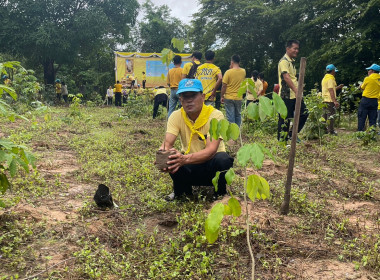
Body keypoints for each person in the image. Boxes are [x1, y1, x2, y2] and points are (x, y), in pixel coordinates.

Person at [158, 78, 234, 201]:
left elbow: (211, 151)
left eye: (193, 96)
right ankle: (182, 192)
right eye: (184, 96)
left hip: (211, 167)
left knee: (223, 159)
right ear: (180, 99)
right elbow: (167, 143)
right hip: (190, 165)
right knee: (172, 157)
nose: (189, 101)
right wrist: (162, 155)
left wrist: (183, 159)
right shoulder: (176, 116)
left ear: (203, 97)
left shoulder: (215, 116)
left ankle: (220, 193)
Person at [277, 40, 309, 141]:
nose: (296, 51)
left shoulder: (291, 62)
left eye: (297, 49)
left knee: (304, 113)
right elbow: (286, 77)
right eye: (294, 48)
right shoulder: (284, 62)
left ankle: (292, 134)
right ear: (288, 49)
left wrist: (298, 89)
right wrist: (296, 90)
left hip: (295, 94)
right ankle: (282, 140)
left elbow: (293, 78)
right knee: (284, 118)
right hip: (286, 95)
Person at [221, 54, 246, 126]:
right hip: (239, 97)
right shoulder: (243, 71)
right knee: (238, 115)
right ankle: (237, 133)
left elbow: (224, 86)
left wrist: (222, 96)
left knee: (230, 117)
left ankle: (232, 135)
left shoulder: (228, 72)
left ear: (232, 62)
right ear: (239, 62)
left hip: (229, 97)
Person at [321, 64, 344, 135]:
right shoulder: (331, 79)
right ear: (333, 71)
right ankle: (331, 131)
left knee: (324, 115)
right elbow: (331, 90)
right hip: (330, 100)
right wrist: (335, 101)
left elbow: (329, 89)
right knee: (331, 115)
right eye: (335, 71)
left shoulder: (325, 78)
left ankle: (323, 130)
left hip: (324, 99)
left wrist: (338, 87)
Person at [358, 63, 380, 131]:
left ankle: (360, 133)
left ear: (372, 71)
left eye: (369, 70)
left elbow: (361, 87)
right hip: (374, 101)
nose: (368, 72)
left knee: (362, 117)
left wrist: (360, 85)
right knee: (373, 118)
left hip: (365, 100)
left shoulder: (367, 79)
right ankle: (372, 134)